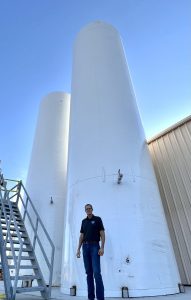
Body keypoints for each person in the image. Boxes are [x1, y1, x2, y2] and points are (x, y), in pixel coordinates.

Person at [76, 204, 105, 300]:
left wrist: (102, 247)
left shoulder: (97, 219)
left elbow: (102, 233)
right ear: (85, 211)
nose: (88, 210)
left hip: (95, 246)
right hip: (85, 247)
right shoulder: (83, 221)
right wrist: (78, 249)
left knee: (97, 273)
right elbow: (81, 236)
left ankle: (100, 298)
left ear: (92, 209)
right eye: (86, 209)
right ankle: (91, 298)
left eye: (89, 208)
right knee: (89, 273)